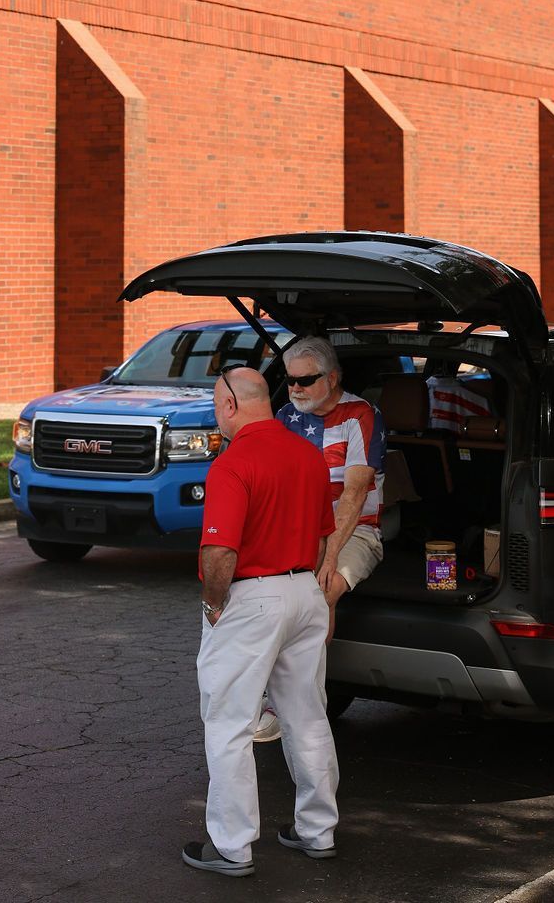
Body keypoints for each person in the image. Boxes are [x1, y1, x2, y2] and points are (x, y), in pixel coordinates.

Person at [182, 365, 340, 877]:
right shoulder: (307, 455)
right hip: (304, 591)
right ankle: (318, 832)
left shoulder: (232, 464)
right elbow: (320, 540)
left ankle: (231, 847)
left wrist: (213, 605)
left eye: (214, 404)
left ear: (230, 404)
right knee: (307, 714)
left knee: (229, 723)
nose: (214, 414)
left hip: (252, 597)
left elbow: (219, 553)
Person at [252, 338, 386, 742]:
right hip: (299, 529)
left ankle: (291, 704)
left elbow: (355, 492)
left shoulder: (361, 414)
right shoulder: (285, 416)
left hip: (356, 528)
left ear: (333, 378)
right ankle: (271, 692)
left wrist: (327, 558)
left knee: (318, 592)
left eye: (305, 381)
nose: (295, 389)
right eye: (289, 381)